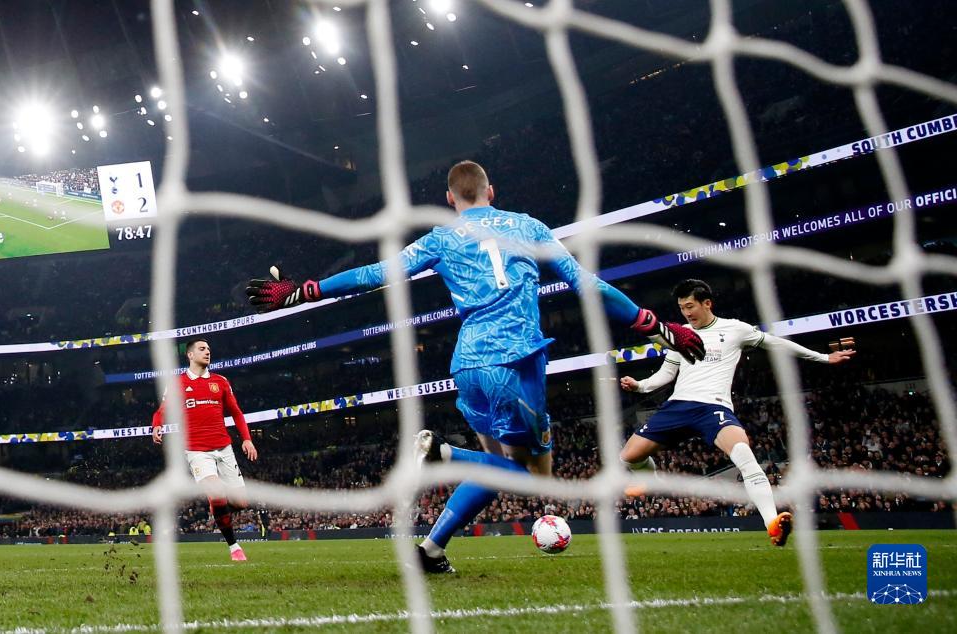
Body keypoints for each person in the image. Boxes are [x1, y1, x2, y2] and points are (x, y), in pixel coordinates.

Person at [246, 160, 705, 573]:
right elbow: (587, 284)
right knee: (529, 476)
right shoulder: (528, 227)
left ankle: (431, 549)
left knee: (497, 466)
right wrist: (659, 328)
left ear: (450, 198)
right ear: (492, 191)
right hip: (516, 360)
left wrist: (305, 291)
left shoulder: (442, 237)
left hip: (466, 364)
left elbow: (375, 274)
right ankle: (443, 455)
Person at [619, 279, 855, 547]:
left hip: (713, 407)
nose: (686, 312)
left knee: (743, 453)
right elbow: (666, 374)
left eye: (690, 306)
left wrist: (823, 357)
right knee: (629, 456)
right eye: (682, 307)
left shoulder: (735, 329)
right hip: (678, 405)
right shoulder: (680, 334)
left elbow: (776, 343)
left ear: (707, 303)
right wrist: (639, 386)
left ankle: (773, 523)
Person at [151, 337, 258, 561]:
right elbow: (162, 410)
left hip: (224, 448)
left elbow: (236, 412)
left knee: (240, 503)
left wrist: (247, 439)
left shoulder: (220, 381)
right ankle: (234, 547)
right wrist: (157, 425)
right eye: (202, 349)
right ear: (190, 355)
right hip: (196, 450)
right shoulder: (177, 383)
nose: (207, 352)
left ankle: (216, 506)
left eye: (208, 349)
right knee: (217, 492)